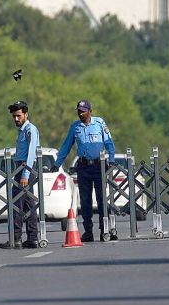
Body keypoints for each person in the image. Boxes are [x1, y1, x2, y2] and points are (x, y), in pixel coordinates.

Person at [54, 99, 116, 242]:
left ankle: (104, 229)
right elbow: (66, 146)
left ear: (90, 111)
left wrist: (111, 158)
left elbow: (109, 142)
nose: (80, 114)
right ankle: (88, 231)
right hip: (83, 167)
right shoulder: (75, 127)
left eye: (83, 111)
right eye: (79, 111)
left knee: (102, 200)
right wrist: (57, 163)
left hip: (99, 166)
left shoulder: (99, 123)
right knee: (85, 201)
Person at [0, 100, 41, 249]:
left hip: (25, 169)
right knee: (29, 205)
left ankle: (16, 239)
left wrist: (25, 174)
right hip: (22, 168)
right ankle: (32, 239)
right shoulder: (22, 130)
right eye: (14, 116)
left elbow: (31, 153)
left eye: (18, 116)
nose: (16, 119)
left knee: (17, 204)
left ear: (26, 114)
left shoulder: (30, 129)